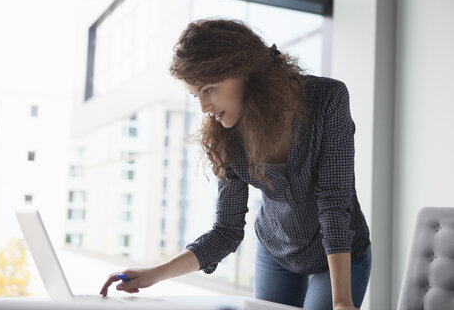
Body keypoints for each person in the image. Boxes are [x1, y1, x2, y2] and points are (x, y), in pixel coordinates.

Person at [100, 18, 371, 310]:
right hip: (276, 250)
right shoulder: (228, 138)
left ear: (245, 72)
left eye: (209, 90)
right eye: (196, 95)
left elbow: (333, 201)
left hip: (340, 252)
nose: (204, 108)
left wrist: (342, 302)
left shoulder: (327, 99)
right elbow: (226, 231)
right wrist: (153, 275)